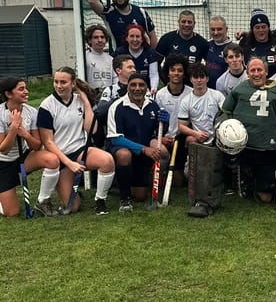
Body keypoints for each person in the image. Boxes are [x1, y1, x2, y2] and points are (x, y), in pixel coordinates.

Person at [37, 67, 115, 215]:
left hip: (80, 151)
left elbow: (91, 129)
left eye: (63, 82)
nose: (59, 86)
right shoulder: (47, 106)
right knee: (72, 207)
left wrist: (86, 102)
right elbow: (48, 142)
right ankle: (70, 188)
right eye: (56, 82)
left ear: (73, 83)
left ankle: (100, 200)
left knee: (107, 160)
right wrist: (69, 163)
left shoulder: (79, 100)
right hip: (60, 157)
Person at [221, 57, 276, 203]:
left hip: (266, 148)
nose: (256, 74)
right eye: (253, 70)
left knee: (266, 198)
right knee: (244, 193)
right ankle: (239, 179)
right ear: (247, 72)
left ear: (266, 72)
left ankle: (258, 184)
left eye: (259, 70)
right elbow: (225, 112)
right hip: (243, 147)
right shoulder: (239, 89)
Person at [106, 73, 170, 211]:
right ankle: (124, 199)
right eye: (133, 85)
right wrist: (144, 149)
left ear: (146, 88)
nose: (137, 88)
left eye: (141, 85)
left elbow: (158, 133)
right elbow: (116, 138)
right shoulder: (117, 106)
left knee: (140, 195)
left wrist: (165, 122)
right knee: (124, 155)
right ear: (127, 87)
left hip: (144, 153)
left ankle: (156, 192)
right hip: (123, 149)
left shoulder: (152, 105)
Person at [0, 78, 60, 217]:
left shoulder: (32, 112)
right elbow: (4, 149)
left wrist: (25, 134)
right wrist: (14, 129)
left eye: (25, 88)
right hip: (3, 161)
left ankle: (43, 202)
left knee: (51, 159)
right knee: (12, 212)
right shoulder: (0, 114)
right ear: (9, 94)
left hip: (23, 156)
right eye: (21, 89)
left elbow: (37, 145)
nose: (26, 92)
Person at [88, 0, 157, 48]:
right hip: (119, 57)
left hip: (140, 57)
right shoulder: (108, 12)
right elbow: (92, 1)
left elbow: (153, 36)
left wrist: (152, 56)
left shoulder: (141, 12)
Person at [154, 54, 192, 188]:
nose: (176, 73)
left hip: (181, 139)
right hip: (164, 139)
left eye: (180, 70)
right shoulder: (160, 95)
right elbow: (155, 121)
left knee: (178, 183)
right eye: (173, 70)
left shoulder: (190, 93)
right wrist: (162, 138)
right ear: (168, 73)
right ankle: (161, 172)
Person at [178, 63, 225, 147]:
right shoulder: (186, 101)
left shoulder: (218, 96)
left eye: (202, 77)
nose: (199, 80)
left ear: (207, 79)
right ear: (191, 79)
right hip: (198, 138)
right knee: (190, 139)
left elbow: (227, 115)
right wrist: (196, 134)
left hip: (218, 137)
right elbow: (181, 126)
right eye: (195, 77)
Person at [155, 10, 209, 82]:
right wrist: (165, 80)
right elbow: (155, 64)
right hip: (173, 85)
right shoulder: (166, 39)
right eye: (183, 21)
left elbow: (210, 65)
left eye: (189, 22)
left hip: (193, 87)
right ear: (178, 22)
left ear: (194, 24)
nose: (186, 25)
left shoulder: (202, 42)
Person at [112, 24, 160, 95]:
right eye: (131, 36)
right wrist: (118, 89)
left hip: (144, 90)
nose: (135, 39)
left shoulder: (150, 52)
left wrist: (153, 89)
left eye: (138, 36)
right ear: (126, 38)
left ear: (142, 39)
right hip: (123, 90)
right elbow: (115, 74)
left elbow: (153, 74)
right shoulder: (119, 52)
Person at [239, 8, 276, 77]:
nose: (261, 30)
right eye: (257, 27)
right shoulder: (245, 43)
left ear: (268, 27)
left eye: (263, 27)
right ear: (252, 29)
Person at [205, 15, 235, 89]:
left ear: (226, 29)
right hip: (208, 91)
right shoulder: (206, 45)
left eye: (219, 29)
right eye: (212, 29)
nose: (215, 33)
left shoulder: (233, 48)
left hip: (224, 91)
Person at [84, 24, 114, 94]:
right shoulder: (84, 58)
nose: (100, 40)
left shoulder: (111, 59)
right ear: (89, 40)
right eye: (96, 37)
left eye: (102, 37)